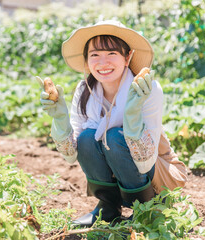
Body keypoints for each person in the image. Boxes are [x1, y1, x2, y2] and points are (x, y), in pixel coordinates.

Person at [36, 20, 186, 227]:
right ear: (87, 62)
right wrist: (60, 119)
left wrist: (132, 114)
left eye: (112, 54)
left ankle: (146, 209)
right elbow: (71, 155)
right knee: (87, 138)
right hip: (120, 161)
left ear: (127, 57)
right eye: (95, 55)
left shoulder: (148, 89)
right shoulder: (84, 91)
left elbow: (145, 161)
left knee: (115, 137)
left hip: (155, 170)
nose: (102, 62)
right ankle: (108, 207)